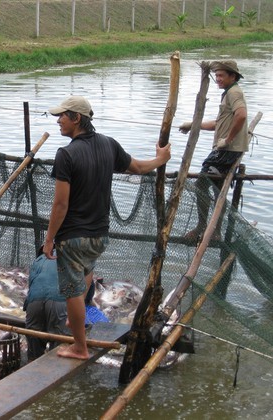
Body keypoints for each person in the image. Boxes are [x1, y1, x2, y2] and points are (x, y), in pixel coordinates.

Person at [43, 96, 171, 360]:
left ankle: (79, 347)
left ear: (77, 119)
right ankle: (76, 319)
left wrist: (49, 239)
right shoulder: (108, 144)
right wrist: (160, 160)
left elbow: (60, 205)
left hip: (74, 237)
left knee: (72, 292)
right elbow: (137, 167)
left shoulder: (65, 154)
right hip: (99, 236)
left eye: (63, 116)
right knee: (86, 272)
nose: (58, 121)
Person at [179, 60, 249, 242]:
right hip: (229, 149)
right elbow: (218, 124)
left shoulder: (234, 92)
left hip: (228, 150)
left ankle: (203, 226)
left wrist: (228, 139)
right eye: (216, 75)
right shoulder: (228, 94)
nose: (217, 79)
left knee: (201, 183)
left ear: (233, 76)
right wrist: (193, 124)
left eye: (221, 75)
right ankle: (215, 232)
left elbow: (241, 115)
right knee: (219, 189)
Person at [24, 247, 68, 362]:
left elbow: (32, 287)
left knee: (34, 345)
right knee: (57, 346)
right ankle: (54, 373)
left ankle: (31, 371)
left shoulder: (37, 261)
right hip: (59, 300)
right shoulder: (71, 256)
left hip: (34, 302)